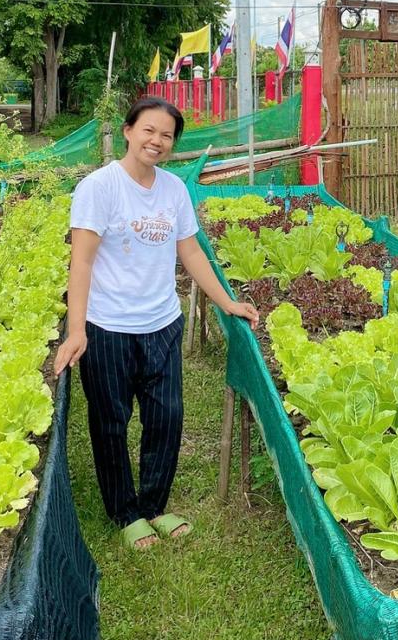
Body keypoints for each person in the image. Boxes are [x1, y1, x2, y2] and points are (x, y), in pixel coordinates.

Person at [55, 96, 259, 549]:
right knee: (111, 421)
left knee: (166, 418)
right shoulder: (98, 187)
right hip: (108, 327)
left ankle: (154, 504)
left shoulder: (173, 190)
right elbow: (82, 262)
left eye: (166, 135)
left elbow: (189, 252)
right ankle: (124, 511)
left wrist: (227, 303)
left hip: (162, 323)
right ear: (128, 131)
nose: (157, 141)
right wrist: (76, 330)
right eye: (149, 130)